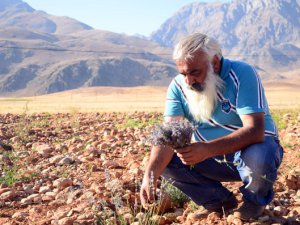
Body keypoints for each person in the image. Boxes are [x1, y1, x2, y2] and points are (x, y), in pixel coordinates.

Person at [140, 33, 283, 221]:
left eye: (194, 72)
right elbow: (168, 135)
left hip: (251, 151)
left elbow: (255, 131)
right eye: (183, 74)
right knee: (166, 160)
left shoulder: (242, 73)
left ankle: (254, 203)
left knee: (260, 153)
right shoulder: (178, 87)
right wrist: (150, 175)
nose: (188, 81)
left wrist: (207, 149)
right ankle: (219, 202)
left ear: (214, 63)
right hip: (211, 157)